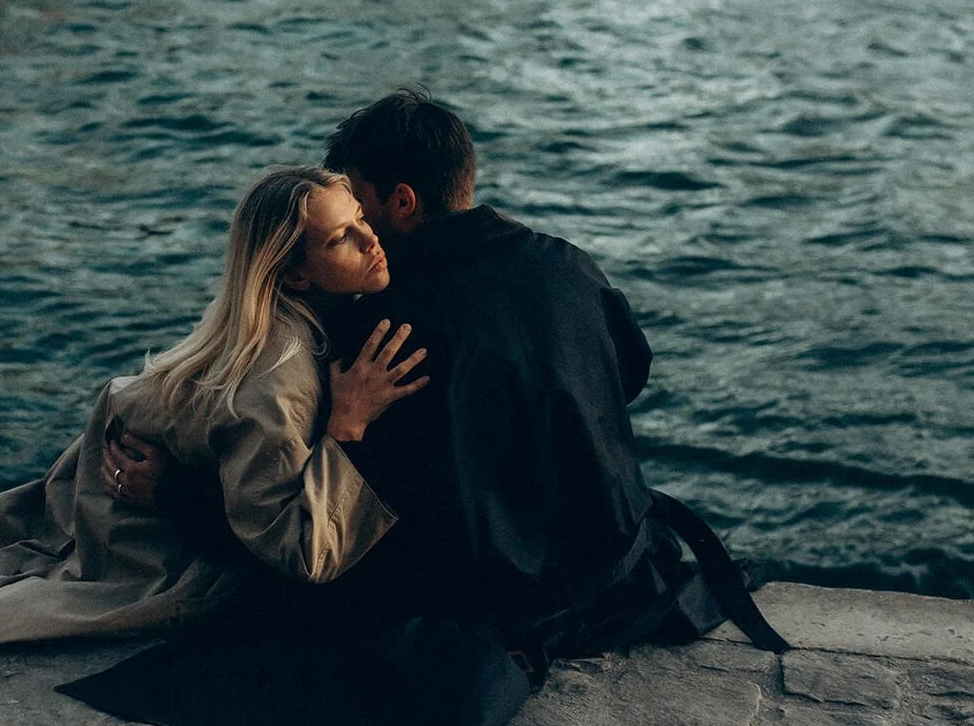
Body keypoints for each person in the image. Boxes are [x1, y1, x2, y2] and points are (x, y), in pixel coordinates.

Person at [0, 166, 429, 646]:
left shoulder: (290, 324)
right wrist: (347, 424)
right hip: (123, 525)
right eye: (340, 238)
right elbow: (302, 553)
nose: (371, 238)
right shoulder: (278, 380)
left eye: (358, 221)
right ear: (295, 278)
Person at [305, 88, 786, 662]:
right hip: (608, 565)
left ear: (402, 201)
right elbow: (629, 374)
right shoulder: (569, 264)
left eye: (360, 205)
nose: (358, 225)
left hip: (501, 593)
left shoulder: (383, 321)